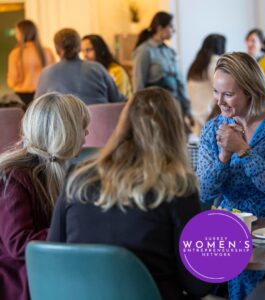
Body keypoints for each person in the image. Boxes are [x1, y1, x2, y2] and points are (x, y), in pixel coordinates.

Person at [48, 87, 212, 300]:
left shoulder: (78, 176)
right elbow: (197, 285)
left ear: (123, 124)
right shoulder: (176, 186)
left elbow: (53, 254)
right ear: (175, 131)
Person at [197, 52, 265, 300]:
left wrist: (243, 150)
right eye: (216, 92)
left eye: (228, 94)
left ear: (251, 91)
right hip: (232, 227)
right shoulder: (212, 129)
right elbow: (204, 191)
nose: (219, 101)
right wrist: (223, 155)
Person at [0, 93, 90, 300]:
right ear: (64, 132)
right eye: (81, 126)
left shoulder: (62, 169)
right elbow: (20, 245)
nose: (87, 132)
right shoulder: (12, 177)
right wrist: (75, 227)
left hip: (46, 265)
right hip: (19, 277)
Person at [133, 12, 194, 128]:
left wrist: (188, 110)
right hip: (155, 110)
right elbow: (138, 84)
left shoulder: (169, 52)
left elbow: (180, 83)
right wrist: (140, 113)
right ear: (160, 28)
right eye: (171, 26)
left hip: (174, 107)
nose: (174, 30)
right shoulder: (145, 51)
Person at [35, 28, 125, 105]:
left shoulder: (46, 73)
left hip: (62, 124)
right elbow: (118, 100)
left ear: (57, 49)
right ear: (79, 47)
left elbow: (37, 107)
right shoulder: (97, 68)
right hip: (98, 123)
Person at [7, 19, 55, 107]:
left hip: (22, 97)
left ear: (22, 33)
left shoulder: (15, 54)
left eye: (17, 32)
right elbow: (53, 76)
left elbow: (13, 80)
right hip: (44, 95)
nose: (16, 36)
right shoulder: (47, 52)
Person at [187, 34, 226, 135]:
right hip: (208, 117)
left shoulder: (196, 64)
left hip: (193, 119)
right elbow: (224, 90)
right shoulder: (214, 63)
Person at [81, 34, 132, 99]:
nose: (84, 55)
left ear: (100, 50)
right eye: (82, 51)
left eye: (89, 50)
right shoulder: (90, 72)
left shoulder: (116, 71)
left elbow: (117, 99)